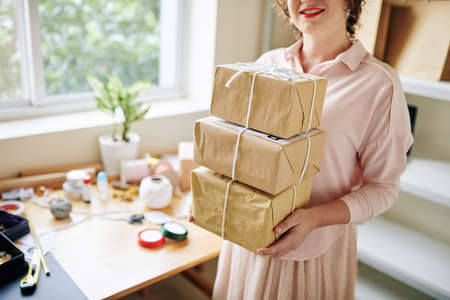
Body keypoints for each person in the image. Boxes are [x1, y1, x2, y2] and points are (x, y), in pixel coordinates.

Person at [198, 0, 414, 299]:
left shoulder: (379, 84)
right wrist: (211, 194)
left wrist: (314, 218)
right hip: (248, 239)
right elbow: (243, 149)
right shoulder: (266, 64)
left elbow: (383, 188)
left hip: (313, 253)